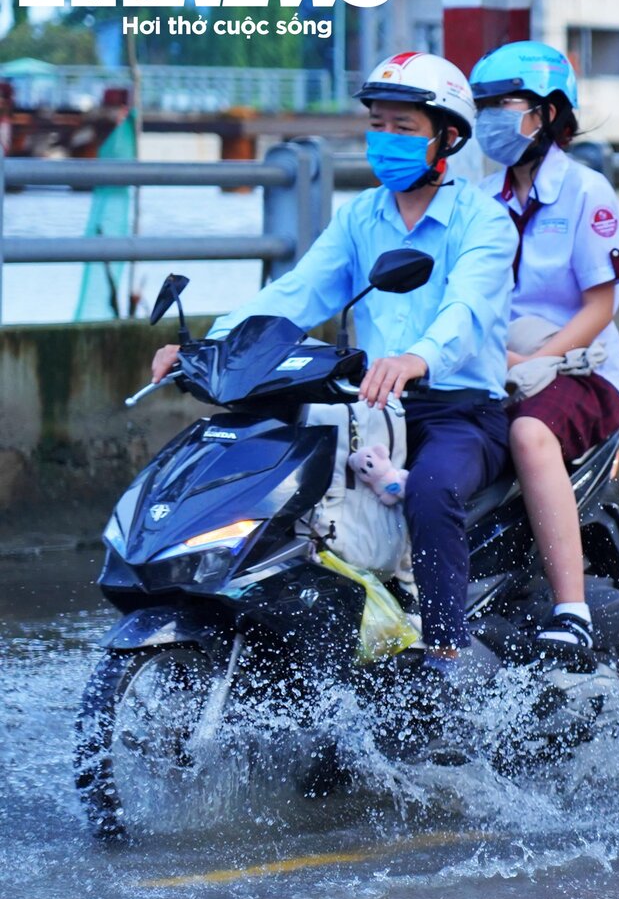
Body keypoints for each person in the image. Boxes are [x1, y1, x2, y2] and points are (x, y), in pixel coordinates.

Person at [151, 51, 517, 695]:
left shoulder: (482, 220)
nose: (385, 139)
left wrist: (417, 357)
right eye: (378, 125)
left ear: (447, 138)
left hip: (458, 409)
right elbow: (296, 294)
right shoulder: (360, 217)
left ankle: (445, 657)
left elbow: (467, 309)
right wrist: (208, 346)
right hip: (370, 408)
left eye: (404, 127)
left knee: (432, 489)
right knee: (279, 482)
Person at [470, 40, 619, 669]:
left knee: (531, 435)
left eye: (506, 104)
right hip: (495, 364)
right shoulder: (480, 199)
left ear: (549, 112)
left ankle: (572, 611)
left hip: (579, 370)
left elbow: (600, 307)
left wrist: (535, 364)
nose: (492, 118)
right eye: (484, 106)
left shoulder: (587, 191)